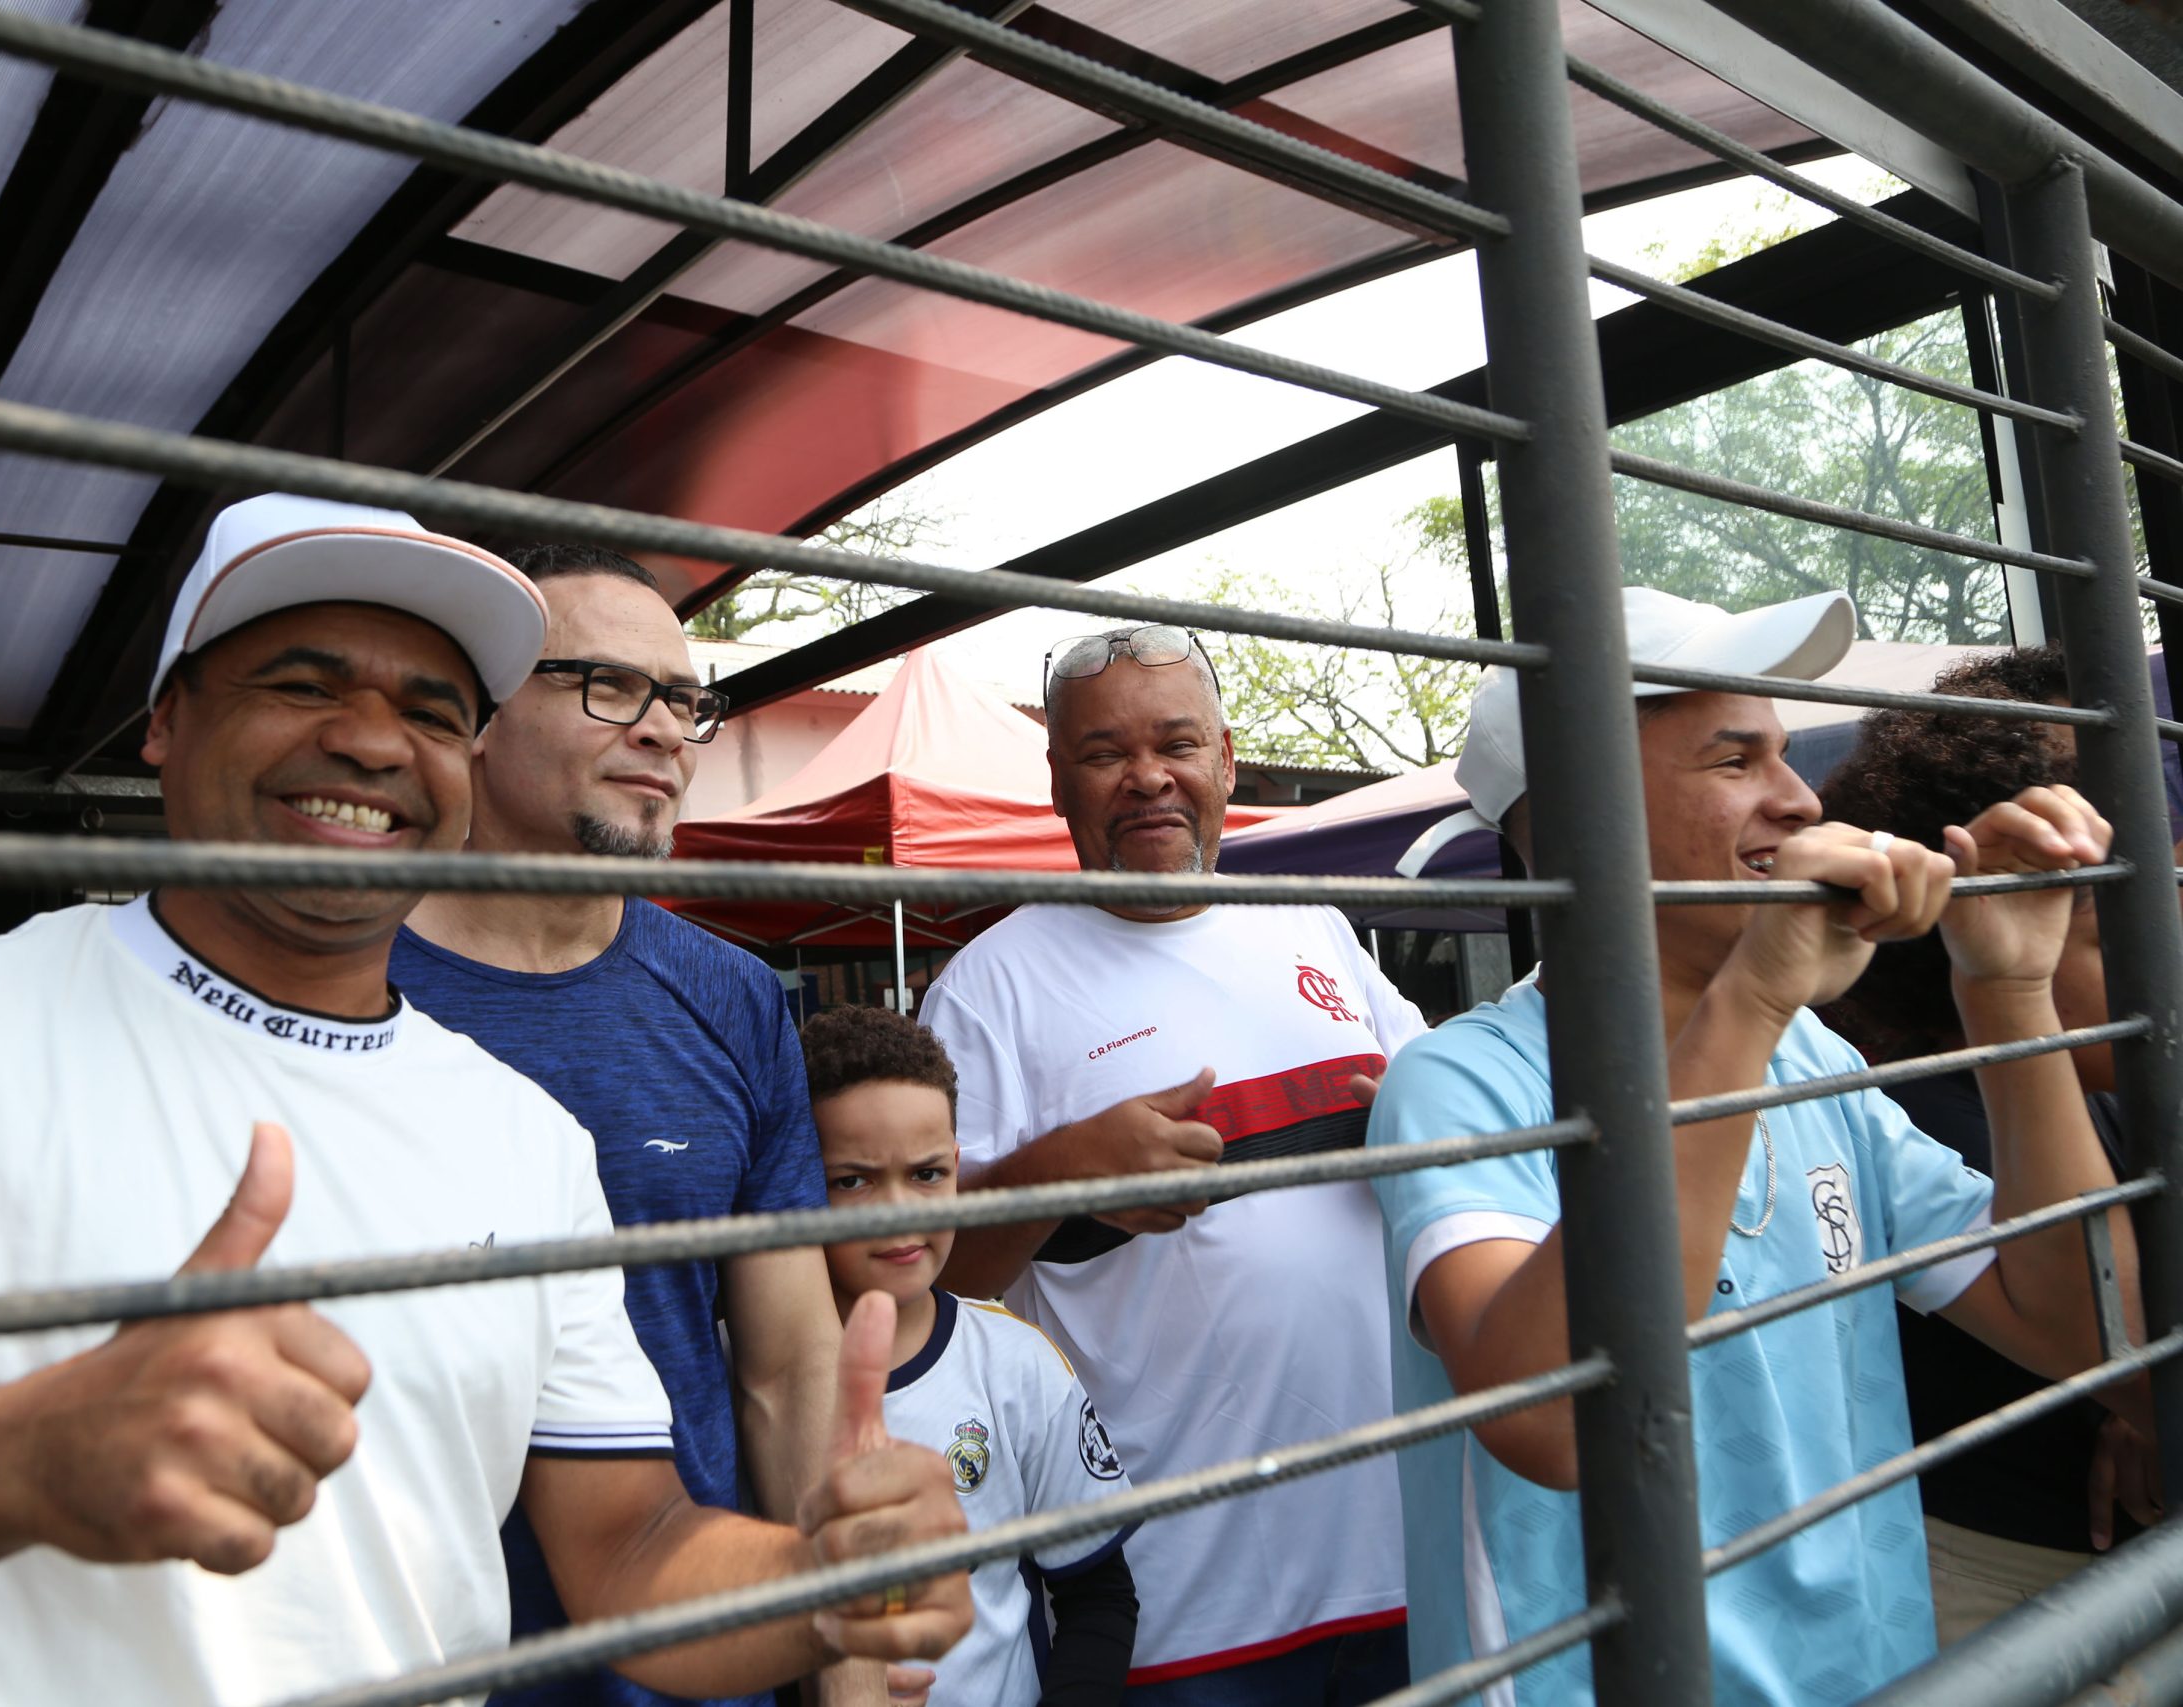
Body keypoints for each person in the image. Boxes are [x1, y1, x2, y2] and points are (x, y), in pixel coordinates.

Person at [0, 494, 971, 1707]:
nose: (372, 740)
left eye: (434, 710)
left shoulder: (526, 1139)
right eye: (302, 680)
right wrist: (6, 1460)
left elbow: (629, 1547)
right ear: (166, 721)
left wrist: (818, 1572)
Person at [1369, 586, 2142, 1705]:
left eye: (1786, 757)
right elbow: (1556, 1424)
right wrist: (1753, 1000)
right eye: (1736, 762)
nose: (1795, 798)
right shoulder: (1462, 1078)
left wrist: (2009, 990)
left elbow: (2086, 1332)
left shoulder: (1814, 1064)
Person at [919, 623, 1426, 1705]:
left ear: (1225, 761)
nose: (1148, 777)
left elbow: (1446, 1129)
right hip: (1182, 1597)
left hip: (1403, 1554)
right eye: (1105, 753)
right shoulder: (985, 989)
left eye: (1176, 743)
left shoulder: (1318, 933)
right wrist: (1057, 1172)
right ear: (1058, 781)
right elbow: (924, 1277)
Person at [390, 543, 853, 1707]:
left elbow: (788, 1366)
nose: (662, 731)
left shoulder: (735, 998)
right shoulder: (343, 969)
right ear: (480, 717)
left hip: (700, 1658)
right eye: (606, 684)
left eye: (686, 701)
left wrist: (839, 1676)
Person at [1817, 644, 2163, 1639]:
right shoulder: (1928, 1112)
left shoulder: (2118, 1084)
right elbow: (2127, 1347)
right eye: (2106, 917)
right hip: (2006, 1594)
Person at [801, 1004, 1140, 1707]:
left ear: (957, 1169)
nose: (900, 1208)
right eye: (854, 1179)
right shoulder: (742, 1376)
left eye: (926, 1174)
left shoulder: (1017, 1364)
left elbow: (1099, 1594)